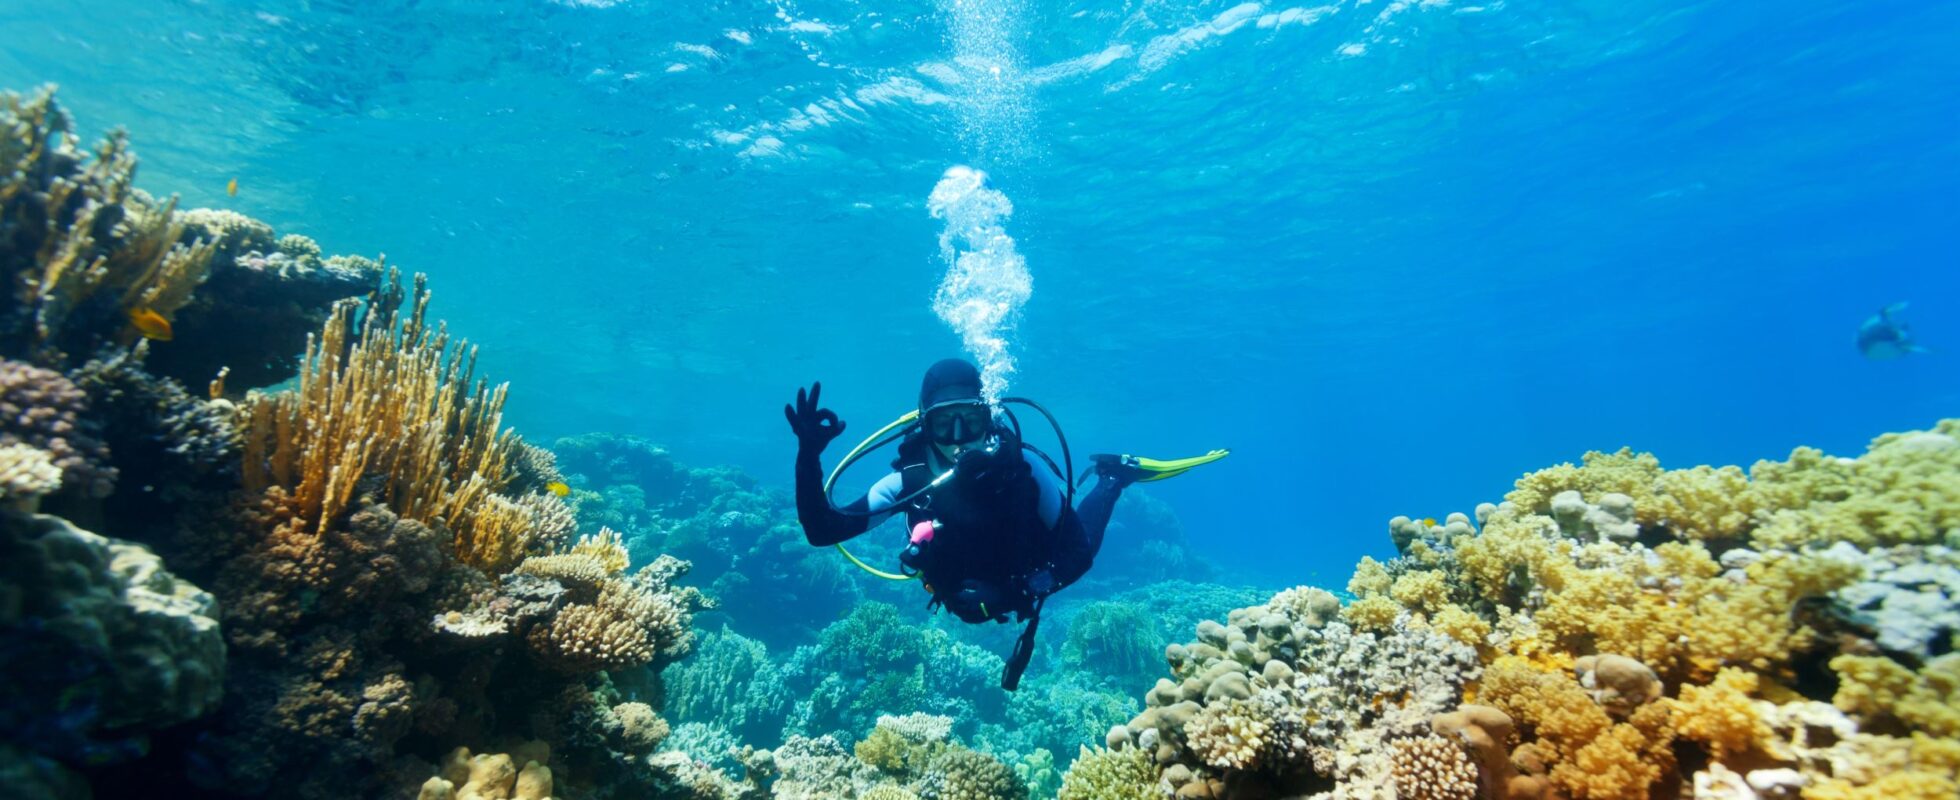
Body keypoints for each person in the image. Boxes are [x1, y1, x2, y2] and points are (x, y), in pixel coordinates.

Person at [784, 358, 1225, 689]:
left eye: (970, 421)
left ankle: (1112, 477)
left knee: (1088, 537)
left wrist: (1021, 590)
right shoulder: (909, 483)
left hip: (1030, 568)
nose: (959, 438)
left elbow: (1076, 554)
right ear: (925, 423)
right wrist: (809, 455)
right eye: (944, 423)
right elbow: (823, 531)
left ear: (988, 418)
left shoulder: (1025, 469)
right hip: (965, 589)